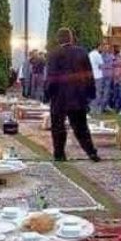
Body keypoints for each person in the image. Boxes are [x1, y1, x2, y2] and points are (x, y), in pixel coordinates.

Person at [43, 27, 100, 162]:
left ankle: (59, 154)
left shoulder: (53, 54)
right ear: (71, 38)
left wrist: (47, 94)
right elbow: (89, 74)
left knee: (58, 126)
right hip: (78, 96)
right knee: (81, 127)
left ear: (58, 39)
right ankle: (91, 152)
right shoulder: (81, 52)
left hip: (59, 97)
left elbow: (51, 77)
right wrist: (90, 93)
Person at [88, 43, 104, 113]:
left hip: (91, 76)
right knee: (98, 92)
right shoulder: (98, 55)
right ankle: (96, 108)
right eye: (101, 47)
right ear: (98, 47)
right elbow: (101, 65)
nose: (102, 48)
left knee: (92, 92)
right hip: (98, 75)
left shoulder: (90, 54)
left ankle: (92, 108)